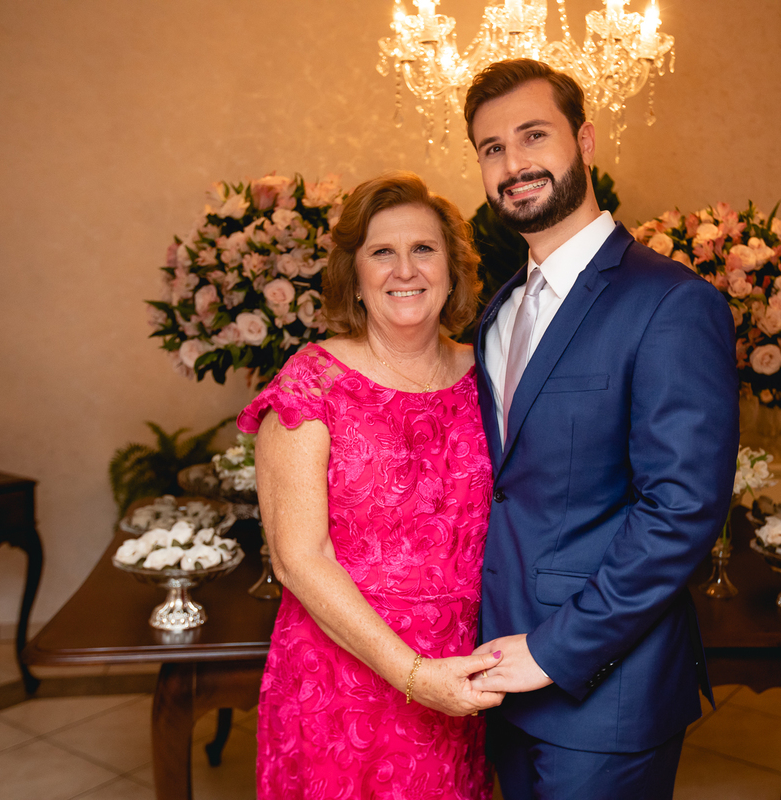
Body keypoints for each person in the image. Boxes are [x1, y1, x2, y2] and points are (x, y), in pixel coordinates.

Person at [463, 59, 739, 798]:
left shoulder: (671, 303)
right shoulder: (498, 312)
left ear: (584, 141)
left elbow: (682, 511)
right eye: (492, 148)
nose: (513, 164)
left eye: (533, 135)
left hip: (606, 695)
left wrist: (552, 651)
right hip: (500, 679)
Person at [239, 171, 504, 799]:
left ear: (452, 270)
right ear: (354, 276)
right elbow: (298, 559)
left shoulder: (492, 373)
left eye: (424, 249)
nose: (405, 269)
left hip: (462, 670)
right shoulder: (312, 382)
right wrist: (412, 674)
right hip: (339, 680)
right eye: (382, 251)